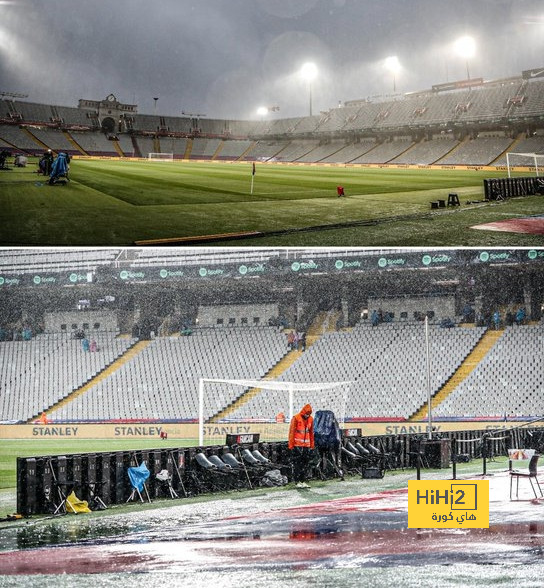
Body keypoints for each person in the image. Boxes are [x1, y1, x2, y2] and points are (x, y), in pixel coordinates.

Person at [288, 403, 315, 488]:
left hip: (306, 445)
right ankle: (297, 481)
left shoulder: (310, 419)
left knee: (305, 464)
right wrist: (291, 445)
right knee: (297, 464)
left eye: (309, 414)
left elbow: (311, 433)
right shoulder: (296, 418)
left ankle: (303, 481)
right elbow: (292, 432)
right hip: (297, 445)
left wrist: (311, 445)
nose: (307, 416)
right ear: (303, 412)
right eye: (306, 414)